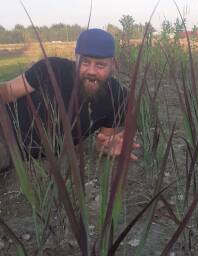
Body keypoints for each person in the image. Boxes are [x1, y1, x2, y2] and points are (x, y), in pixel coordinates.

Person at [0, 28, 139, 172]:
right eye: (85, 62)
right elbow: (7, 92)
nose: (91, 71)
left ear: (113, 64)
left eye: (100, 65)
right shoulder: (52, 68)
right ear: (76, 58)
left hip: (18, 155)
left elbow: (103, 142)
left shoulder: (117, 95)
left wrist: (106, 147)